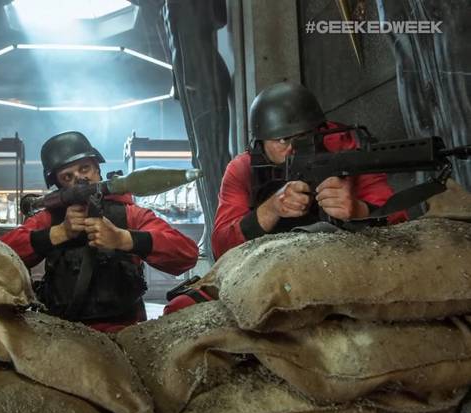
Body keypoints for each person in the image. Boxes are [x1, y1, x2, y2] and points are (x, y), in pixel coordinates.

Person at [164, 82, 407, 314]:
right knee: (182, 305)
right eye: (282, 140)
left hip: (337, 263)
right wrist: (269, 210)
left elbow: (399, 219)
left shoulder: (345, 149)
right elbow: (221, 247)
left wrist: (358, 211)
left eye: (304, 137)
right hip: (264, 271)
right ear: (261, 140)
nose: (294, 149)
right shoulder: (243, 169)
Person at [0, 131, 199, 332]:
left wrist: (124, 239)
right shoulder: (49, 218)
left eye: (84, 168)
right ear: (59, 185)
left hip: (124, 331)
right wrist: (57, 233)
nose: (80, 179)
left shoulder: (130, 214)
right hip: (61, 332)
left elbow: (186, 254)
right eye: (67, 176)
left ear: (97, 168)